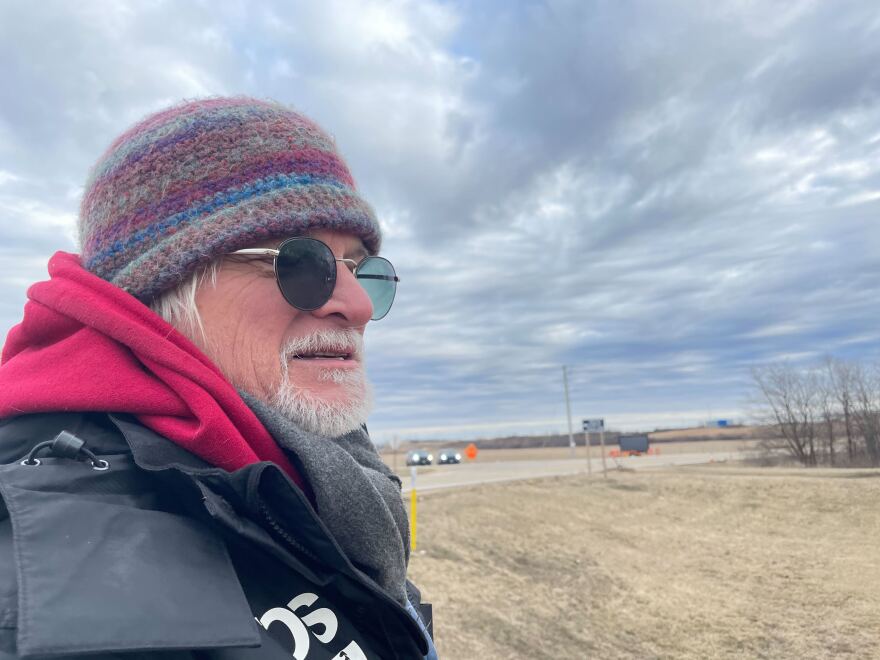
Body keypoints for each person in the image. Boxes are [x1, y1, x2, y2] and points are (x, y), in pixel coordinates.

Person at [0, 97, 437, 660]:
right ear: (163, 290)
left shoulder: (330, 476)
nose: (355, 305)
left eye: (363, 269)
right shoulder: (34, 588)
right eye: (301, 264)